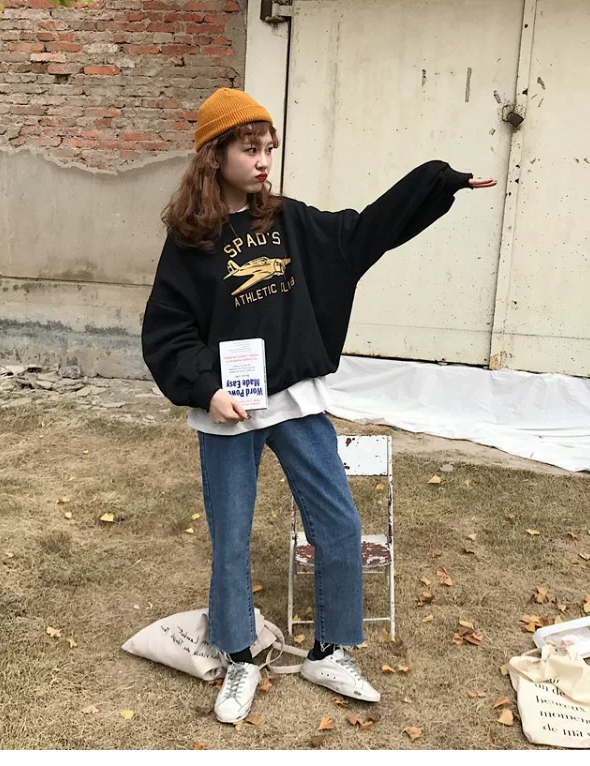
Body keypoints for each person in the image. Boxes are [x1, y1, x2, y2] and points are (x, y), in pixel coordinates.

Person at [141, 87, 497, 724]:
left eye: (268, 148)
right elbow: (167, 330)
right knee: (231, 539)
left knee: (337, 524)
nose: (263, 161)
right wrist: (207, 389)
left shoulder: (288, 222)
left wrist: (435, 183)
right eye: (249, 150)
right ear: (213, 155)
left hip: (296, 400)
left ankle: (329, 650)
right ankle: (239, 657)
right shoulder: (191, 240)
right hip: (229, 411)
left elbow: (361, 234)